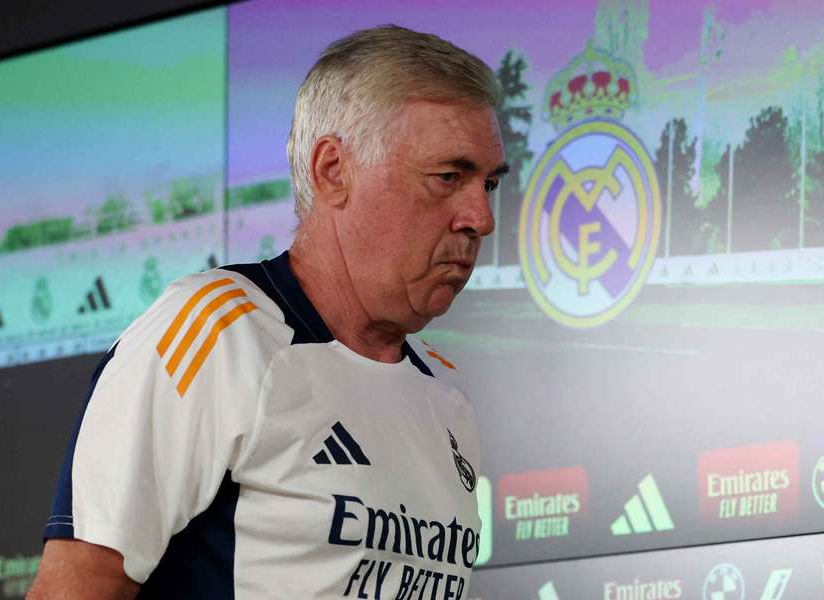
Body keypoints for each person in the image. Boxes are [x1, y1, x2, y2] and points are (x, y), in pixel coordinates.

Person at [28, 24, 507, 599]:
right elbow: (75, 589)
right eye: (448, 177)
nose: (480, 218)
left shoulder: (445, 394)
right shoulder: (215, 331)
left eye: (490, 184)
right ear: (333, 169)